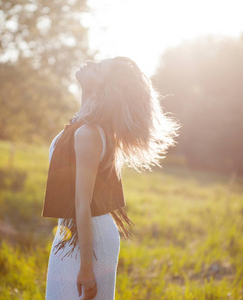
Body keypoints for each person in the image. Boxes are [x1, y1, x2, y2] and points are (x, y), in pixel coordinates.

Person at [42, 57, 180, 299]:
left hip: (90, 238)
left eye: (96, 68)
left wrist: (86, 268)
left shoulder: (89, 133)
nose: (87, 62)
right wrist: (86, 92)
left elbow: (82, 204)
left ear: (103, 89)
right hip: (71, 232)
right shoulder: (85, 124)